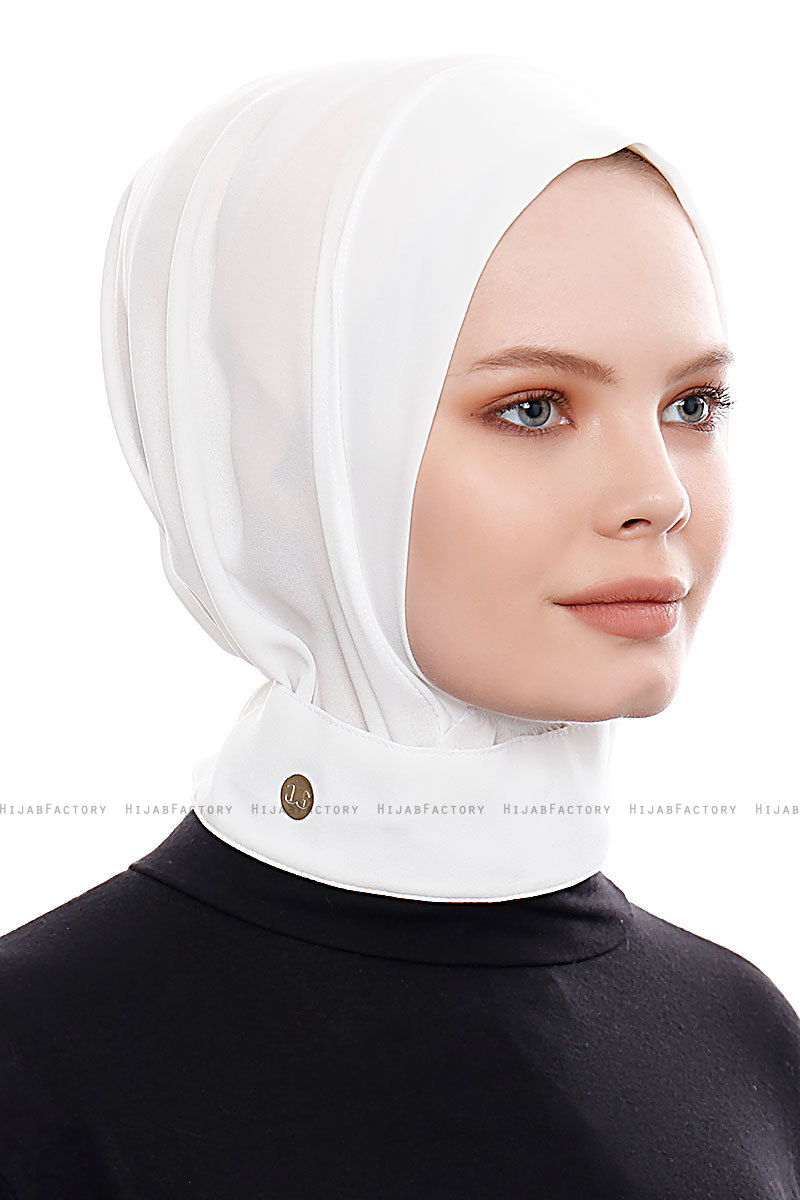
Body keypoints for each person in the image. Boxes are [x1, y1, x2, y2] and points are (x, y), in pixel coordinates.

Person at [0, 52, 798, 1199]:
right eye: (533, 407)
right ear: (283, 456)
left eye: (691, 404)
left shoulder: (740, 1034)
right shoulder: (38, 1058)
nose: (658, 492)